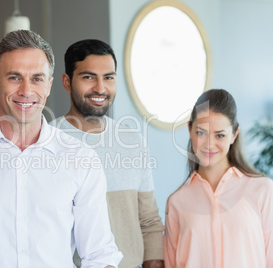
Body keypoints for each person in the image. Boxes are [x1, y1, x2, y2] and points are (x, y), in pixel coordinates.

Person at [0, 30, 122, 268]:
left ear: (49, 85)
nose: (26, 91)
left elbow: (99, 254)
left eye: (36, 79)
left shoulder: (81, 159)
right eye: (14, 77)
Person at [51, 39, 165, 268]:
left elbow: (149, 220)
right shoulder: (48, 142)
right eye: (88, 77)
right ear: (66, 82)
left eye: (109, 77)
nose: (100, 88)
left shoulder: (133, 141)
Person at [164, 89, 273, 267]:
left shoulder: (263, 190)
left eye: (220, 135)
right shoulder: (177, 202)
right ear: (190, 130)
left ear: (234, 135)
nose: (209, 144)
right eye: (201, 132)